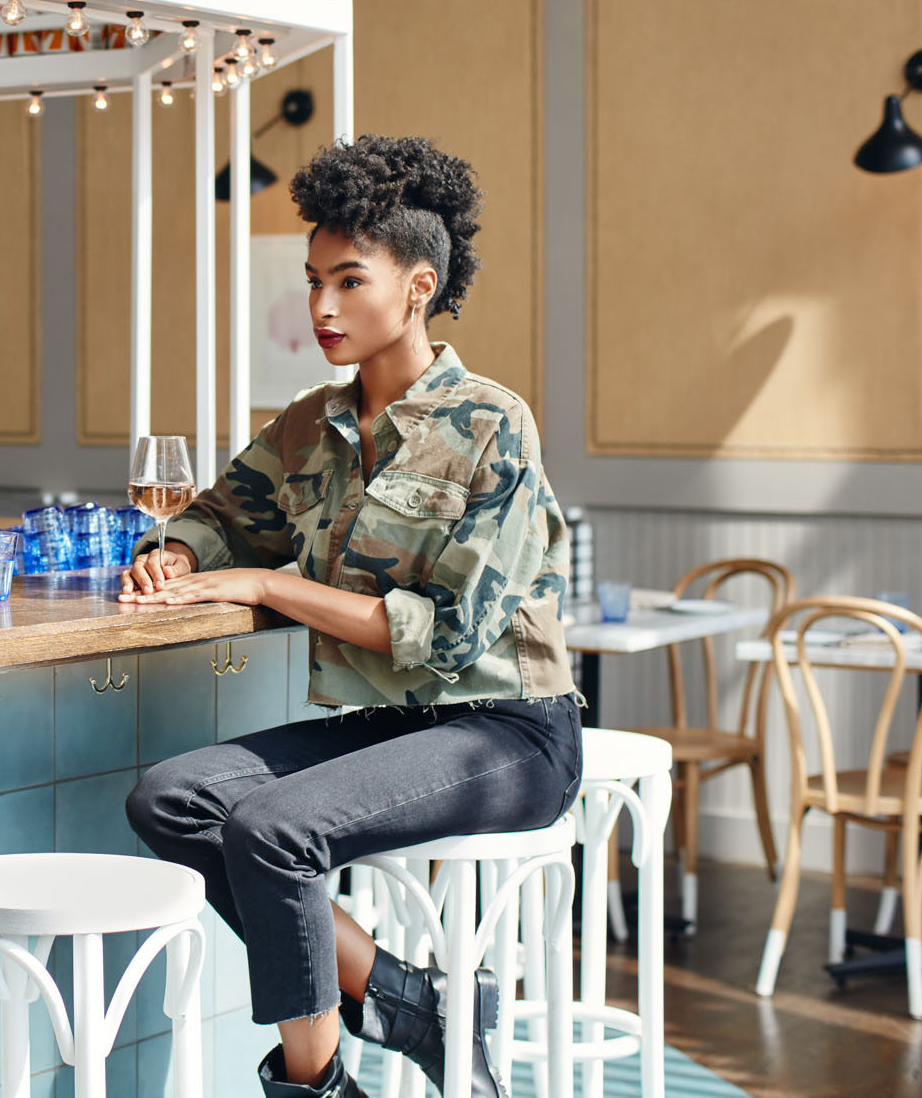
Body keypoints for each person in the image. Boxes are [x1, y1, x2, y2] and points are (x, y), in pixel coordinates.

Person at [120, 135, 581, 1098]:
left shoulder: (494, 424)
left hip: (506, 731)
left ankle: (316, 1088)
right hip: (390, 726)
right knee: (172, 796)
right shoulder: (309, 423)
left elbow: (447, 632)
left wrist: (268, 584)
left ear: (417, 286)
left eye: (348, 280)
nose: (321, 306)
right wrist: (175, 553)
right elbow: (219, 516)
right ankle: (416, 1005)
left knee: (276, 831)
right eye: (313, 279)